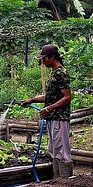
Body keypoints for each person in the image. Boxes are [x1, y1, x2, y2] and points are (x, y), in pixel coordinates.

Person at [21, 44, 74, 179]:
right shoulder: (54, 73)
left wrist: (49, 108)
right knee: (54, 149)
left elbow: (67, 97)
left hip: (60, 118)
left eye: (44, 59)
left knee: (62, 150)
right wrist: (32, 100)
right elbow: (51, 97)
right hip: (53, 117)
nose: (43, 62)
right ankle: (57, 180)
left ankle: (66, 180)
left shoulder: (61, 73)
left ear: (52, 57)